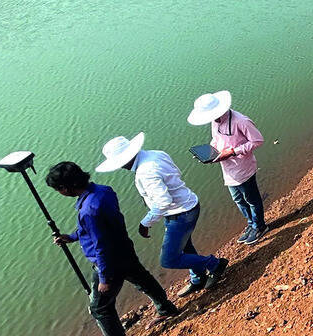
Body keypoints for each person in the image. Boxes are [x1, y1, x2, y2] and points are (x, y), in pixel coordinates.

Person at [45, 161, 179, 336]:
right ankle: (165, 308)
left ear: (66, 188)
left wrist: (104, 278)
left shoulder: (88, 210)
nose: (60, 193)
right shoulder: (104, 191)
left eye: (58, 189)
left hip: (109, 263)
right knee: (143, 280)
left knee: (100, 308)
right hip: (124, 249)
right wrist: (71, 237)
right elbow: (98, 228)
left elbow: (101, 245)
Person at [95, 133, 228, 297]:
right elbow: (176, 173)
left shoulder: (145, 172)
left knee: (169, 259)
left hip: (180, 214)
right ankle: (197, 278)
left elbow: (164, 202)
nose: (121, 167)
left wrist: (145, 223)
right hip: (188, 204)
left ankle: (215, 264)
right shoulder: (155, 154)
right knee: (185, 247)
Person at [188, 90, 267, 245]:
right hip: (228, 169)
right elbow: (216, 140)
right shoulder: (215, 122)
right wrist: (209, 153)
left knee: (251, 199)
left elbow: (258, 140)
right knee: (238, 199)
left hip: (243, 168)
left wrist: (233, 152)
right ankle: (251, 224)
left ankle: (260, 226)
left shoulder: (240, 121)